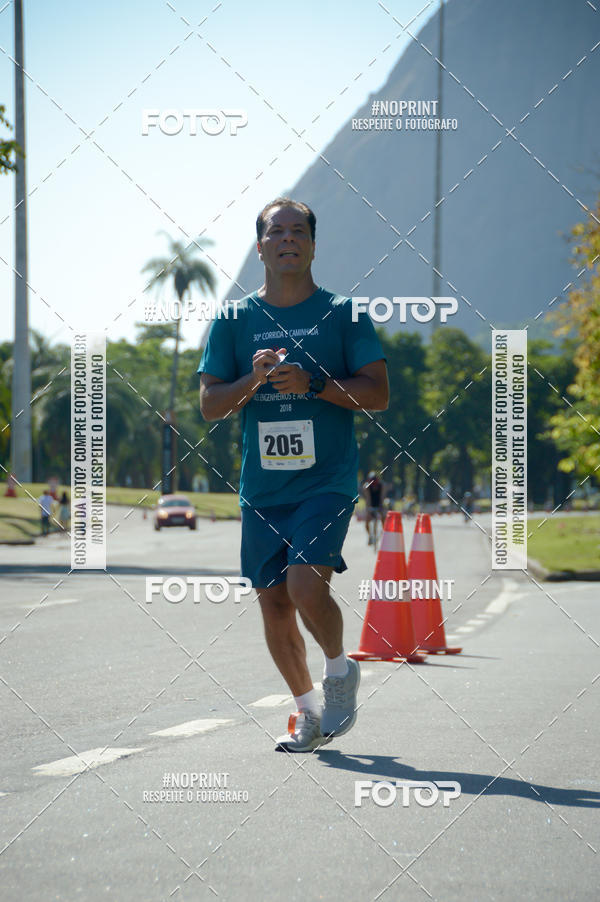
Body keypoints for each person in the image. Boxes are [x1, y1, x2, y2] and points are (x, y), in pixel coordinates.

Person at [199, 197, 389, 752]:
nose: (287, 239)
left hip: (325, 481)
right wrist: (251, 384)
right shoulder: (234, 320)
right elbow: (210, 404)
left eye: (297, 230)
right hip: (262, 489)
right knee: (274, 602)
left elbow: (376, 393)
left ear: (312, 243)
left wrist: (314, 384)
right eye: (275, 231)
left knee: (305, 584)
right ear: (259, 247)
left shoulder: (344, 314)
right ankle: (306, 712)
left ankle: (339, 671)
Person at [361, 471, 386, 544]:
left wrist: (381, 507)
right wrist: (368, 509)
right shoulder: (366, 487)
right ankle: (370, 536)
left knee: (384, 516)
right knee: (367, 521)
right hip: (371, 505)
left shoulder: (382, 485)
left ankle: (383, 532)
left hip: (379, 504)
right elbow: (368, 499)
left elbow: (382, 497)